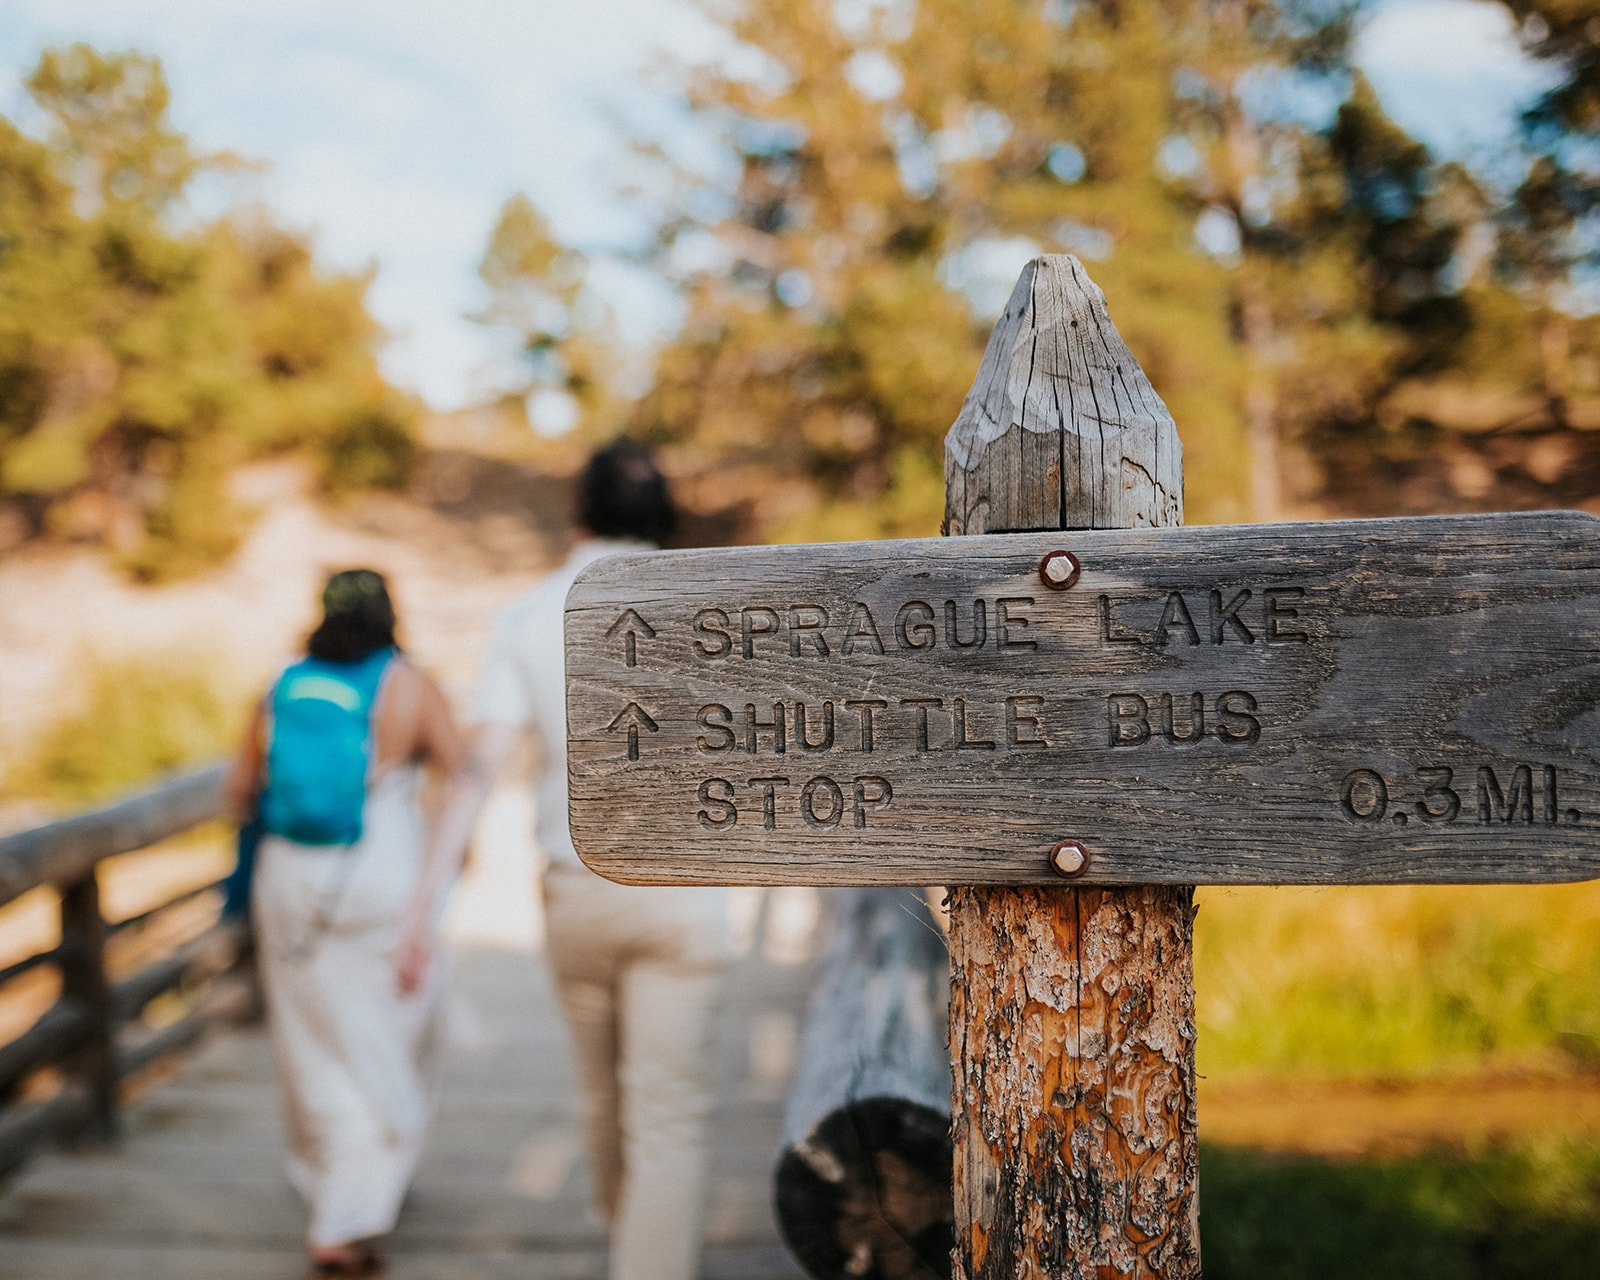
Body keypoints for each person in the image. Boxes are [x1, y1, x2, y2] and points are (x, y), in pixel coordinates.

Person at [395, 442, 730, 1280]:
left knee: (602, 1098)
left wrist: (422, 905)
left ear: (577, 512)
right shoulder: (711, 607)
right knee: (670, 1117)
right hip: (683, 888)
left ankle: (628, 1246)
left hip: (576, 887)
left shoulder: (531, 614)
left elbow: (477, 771)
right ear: (664, 517)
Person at [227, 569, 463, 1277]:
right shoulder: (409, 684)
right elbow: (463, 771)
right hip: (379, 868)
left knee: (311, 1035)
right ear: (390, 613)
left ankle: (336, 1181)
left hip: (291, 877)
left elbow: (240, 790)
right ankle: (346, 1219)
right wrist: (442, 872)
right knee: (386, 1032)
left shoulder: (282, 684)